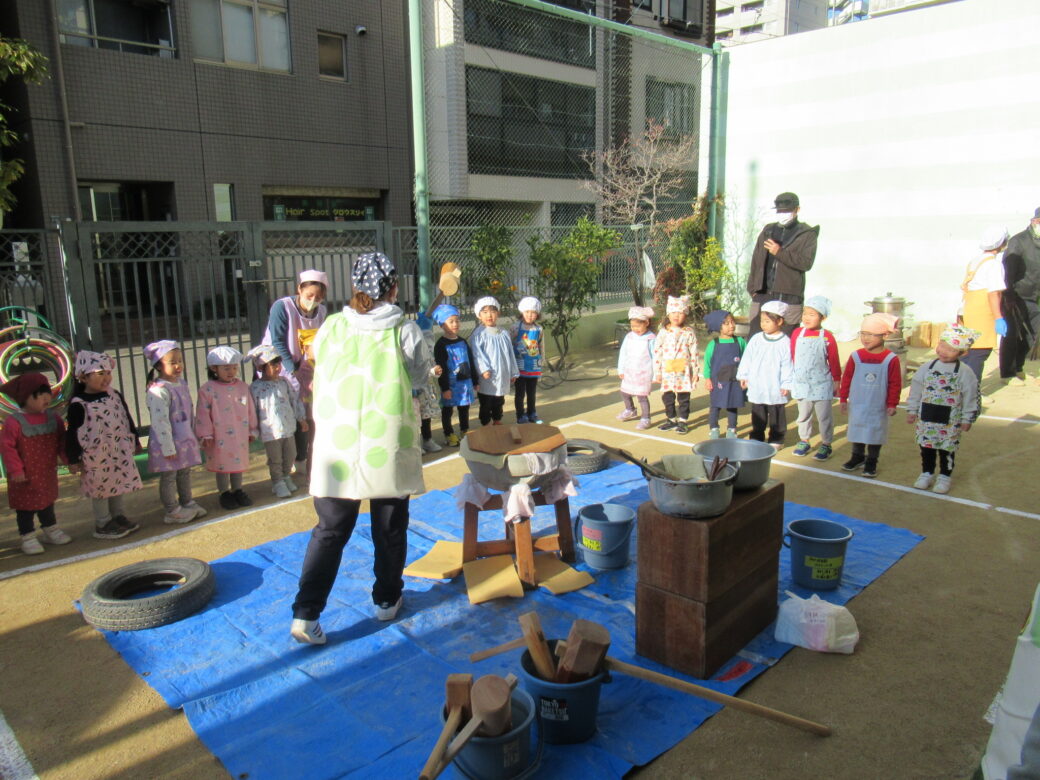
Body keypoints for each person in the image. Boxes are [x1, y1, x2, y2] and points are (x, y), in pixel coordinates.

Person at [290, 251, 426, 645]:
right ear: (393, 287)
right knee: (389, 527)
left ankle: (305, 614)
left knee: (330, 530)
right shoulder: (405, 329)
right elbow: (419, 376)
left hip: (339, 442)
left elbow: (315, 358)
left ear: (354, 287)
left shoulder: (332, 325)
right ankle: (386, 599)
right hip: (388, 440)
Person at [66, 351, 143, 539]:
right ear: (83, 377)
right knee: (100, 488)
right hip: (96, 455)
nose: (106, 378)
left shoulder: (114, 395)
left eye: (108, 373)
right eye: (100, 374)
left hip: (118, 450)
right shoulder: (78, 404)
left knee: (118, 481)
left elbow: (126, 417)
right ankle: (103, 522)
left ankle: (117, 515)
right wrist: (73, 458)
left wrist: (135, 438)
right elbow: (73, 433)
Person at [263, 269, 328, 476]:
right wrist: (293, 368)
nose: (313, 301)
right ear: (299, 289)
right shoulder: (282, 307)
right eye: (310, 295)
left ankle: (302, 458)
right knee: (285, 418)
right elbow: (277, 341)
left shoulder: (322, 312)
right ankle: (283, 465)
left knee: (306, 417)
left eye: (318, 297)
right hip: (280, 370)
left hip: (307, 370)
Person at [0, 373, 71, 555]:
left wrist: (68, 460)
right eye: (39, 394)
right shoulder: (13, 422)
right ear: (25, 398)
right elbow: (7, 448)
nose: (46, 398)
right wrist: (16, 470)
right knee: (25, 508)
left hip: (46, 473)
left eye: (47, 392)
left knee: (47, 501)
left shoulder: (53, 418)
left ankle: (50, 528)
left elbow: (62, 442)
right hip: (24, 476)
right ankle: (28, 536)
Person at [906, 324, 980, 495]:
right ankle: (927, 473)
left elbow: (970, 396)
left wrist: (967, 418)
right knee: (927, 446)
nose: (944, 351)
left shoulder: (965, 372)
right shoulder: (927, 367)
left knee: (947, 449)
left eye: (951, 349)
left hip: (951, 420)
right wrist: (912, 410)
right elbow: (916, 389)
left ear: (963, 353)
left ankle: (945, 476)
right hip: (927, 416)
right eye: (942, 345)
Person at [144, 340, 206, 524]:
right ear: (159, 366)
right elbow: (160, 421)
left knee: (184, 471)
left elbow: (189, 410)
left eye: (180, 360)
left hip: (184, 438)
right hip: (168, 441)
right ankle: (172, 509)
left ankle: (187, 502)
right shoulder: (159, 390)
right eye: (172, 362)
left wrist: (193, 434)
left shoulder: (181, 383)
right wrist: (167, 446)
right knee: (169, 475)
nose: (178, 365)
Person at [746, 192, 820, 336]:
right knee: (756, 337)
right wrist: (752, 289)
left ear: (797, 210)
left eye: (787, 211)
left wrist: (779, 252)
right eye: (780, 211)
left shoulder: (807, 234)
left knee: (785, 339)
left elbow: (806, 263)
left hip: (789, 295)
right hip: (762, 293)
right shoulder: (768, 230)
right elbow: (756, 260)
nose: (783, 214)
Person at [838, 313, 902, 478]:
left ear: (885, 335)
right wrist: (843, 398)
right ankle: (857, 456)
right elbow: (847, 378)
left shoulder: (891, 359)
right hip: (858, 403)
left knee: (875, 432)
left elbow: (895, 383)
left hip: (878, 405)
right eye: (863, 333)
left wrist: (892, 403)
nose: (865, 338)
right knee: (857, 429)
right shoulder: (856, 356)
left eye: (871, 334)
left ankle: (872, 460)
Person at [195, 346, 258, 510]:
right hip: (218, 435)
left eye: (234, 367)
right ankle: (224, 492)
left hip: (239, 433)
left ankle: (238, 489)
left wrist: (252, 429)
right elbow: (202, 413)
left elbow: (250, 409)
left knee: (237, 461)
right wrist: (205, 434)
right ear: (214, 368)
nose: (231, 372)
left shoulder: (242, 387)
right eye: (226, 368)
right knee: (222, 463)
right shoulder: (207, 389)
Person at [247, 344, 306, 499]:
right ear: (261, 367)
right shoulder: (255, 388)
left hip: (288, 428)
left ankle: (286, 476)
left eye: (278, 364)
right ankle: (277, 482)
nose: (277, 368)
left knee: (291, 454)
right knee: (275, 458)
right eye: (272, 365)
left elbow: (294, 400)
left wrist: (301, 418)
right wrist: (253, 430)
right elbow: (251, 411)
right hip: (270, 432)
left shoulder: (284, 382)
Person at [789, 295, 841, 461]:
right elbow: (793, 355)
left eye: (812, 315)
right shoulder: (797, 333)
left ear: (822, 317)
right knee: (803, 415)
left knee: (824, 416)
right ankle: (804, 440)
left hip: (821, 383)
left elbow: (833, 359)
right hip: (802, 383)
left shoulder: (827, 337)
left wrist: (837, 380)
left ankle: (826, 443)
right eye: (805, 313)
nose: (807, 318)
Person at [736, 301, 793, 450]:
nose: (763, 324)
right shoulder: (756, 339)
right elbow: (747, 358)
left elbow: (788, 365)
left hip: (775, 386)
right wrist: (743, 375)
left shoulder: (785, 343)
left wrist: (786, 383)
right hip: (757, 384)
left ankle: (777, 438)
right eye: (762, 321)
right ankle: (757, 437)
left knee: (777, 414)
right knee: (758, 414)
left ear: (779, 321)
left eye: (767, 321)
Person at [959, 226, 1008, 385]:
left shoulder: (975, 261)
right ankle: (972, 391)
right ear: (1002, 243)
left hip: (968, 309)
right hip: (982, 312)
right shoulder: (993, 264)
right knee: (979, 353)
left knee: (967, 352)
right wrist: (998, 318)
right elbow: (994, 293)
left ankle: (961, 388)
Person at [1000, 208, 1040, 385]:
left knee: (1032, 334)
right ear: (1035, 221)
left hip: (1035, 296)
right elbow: (1008, 270)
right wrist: (1008, 295)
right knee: (1013, 335)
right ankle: (1008, 373)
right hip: (1016, 296)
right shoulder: (1018, 241)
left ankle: (1019, 368)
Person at [653, 295, 699, 434]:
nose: (676, 315)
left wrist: (695, 372)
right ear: (668, 314)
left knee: (683, 397)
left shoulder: (689, 332)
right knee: (667, 396)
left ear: (685, 314)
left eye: (680, 312)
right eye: (673, 312)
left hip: (683, 370)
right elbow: (657, 351)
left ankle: (683, 421)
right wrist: (657, 372)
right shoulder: (663, 332)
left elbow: (694, 352)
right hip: (667, 369)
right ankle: (671, 419)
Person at [433, 303, 477, 447]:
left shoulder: (463, 341)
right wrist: (445, 388)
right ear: (442, 324)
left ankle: (464, 430)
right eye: (451, 321)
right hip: (451, 385)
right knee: (448, 410)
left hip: (465, 384)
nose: (455, 324)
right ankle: (449, 433)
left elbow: (470, 361)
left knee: (464, 408)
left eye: (457, 320)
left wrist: (475, 380)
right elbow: (441, 368)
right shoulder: (440, 345)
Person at [471, 296, 518, 426]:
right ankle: (485, 422)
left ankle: (497, 419)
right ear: (479, 315)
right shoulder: (478, 334)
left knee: (499, 399)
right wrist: (483, 369)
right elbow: (477, 354)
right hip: (488, 376)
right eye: (485, 312)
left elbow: (510, 353)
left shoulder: (503, 333)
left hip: (502, 374)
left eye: (493, 311)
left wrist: (513, 372)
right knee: (486, 401)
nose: (489, 315)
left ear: (498, 313)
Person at [702, 309, 746, 440]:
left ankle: (732, 428)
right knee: (715, 405)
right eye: (726, 323)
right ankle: (714, 427)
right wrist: (707, 378)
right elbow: (707, 363)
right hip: (717, 381)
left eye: (732, 322)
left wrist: (746, 376)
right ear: (718, 326)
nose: (731, 325)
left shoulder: (740, 341)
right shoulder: (713, 344)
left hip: (734, 381)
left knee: (732, 405)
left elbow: (746, 359)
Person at [617, 305, 656, 431]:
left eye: (638, 326)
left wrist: (656, 374)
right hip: (629, 371)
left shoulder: (651, 338)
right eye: (632, 326)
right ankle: (630, 409)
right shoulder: (629, 336)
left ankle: (646, 418)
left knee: (641, 396)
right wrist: (621, 369)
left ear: (646, 323)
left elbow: (655, 356)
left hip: (643, 373)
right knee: (624, 392)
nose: (635, 329)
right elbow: (623, 353)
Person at [414, 311, 444, 453]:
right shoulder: (413, 353)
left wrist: (436, 372)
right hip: (415, 391)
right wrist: (431, 372)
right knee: (416, 417)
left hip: (427, 390)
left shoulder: (429, 353)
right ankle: (416, 443)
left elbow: (432, 368)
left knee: (426, 416)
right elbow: (417, 372)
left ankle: (427, 439)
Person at [512, 296, 544, 424]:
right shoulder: (515, 328)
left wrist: (542, 362)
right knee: (520, 393)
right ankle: (520, 415)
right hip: (519, 366)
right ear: (521, 312)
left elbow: (541, 346)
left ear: (537, 314)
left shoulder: (539, 329)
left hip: (534, 366)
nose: (530, 315)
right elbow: (509, 345)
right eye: (527, 312)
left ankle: (532, 413)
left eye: (533, 313)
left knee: (532, 392)